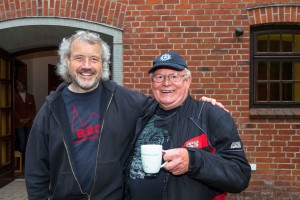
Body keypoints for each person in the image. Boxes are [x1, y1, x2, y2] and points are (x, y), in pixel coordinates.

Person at [24, 30, 224, 200]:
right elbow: (36, 169)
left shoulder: (124, 99)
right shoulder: (51, 109)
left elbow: (168, 101)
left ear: (103, 64)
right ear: (67, 61)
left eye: (94, 59)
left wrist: (202, 106)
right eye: (79, 58)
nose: (87, 65)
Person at [125, 52, 251, 200]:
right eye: (159, 77)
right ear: (152, 83)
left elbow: (239, 176)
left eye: (174, 76)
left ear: (187, 81)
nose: (166, 83)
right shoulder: (142, 115)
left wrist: (193, 161)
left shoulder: (211, 115)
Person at [15, 80, 36, 154]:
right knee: (22, 142)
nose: (19, 87)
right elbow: (14, 110)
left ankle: (27, 161)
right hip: (19, 123)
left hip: (29, 122)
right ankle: (21, 161)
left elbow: (33, 109)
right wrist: (20, 119)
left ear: (24, 86)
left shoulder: (30, 96)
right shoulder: (14, 96)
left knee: (29, 142)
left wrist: (29, 118)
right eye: (18, 85)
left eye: (21, 85)